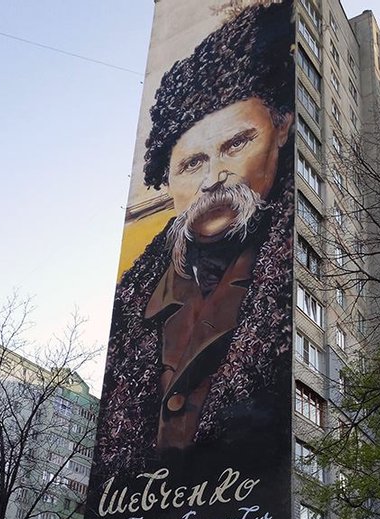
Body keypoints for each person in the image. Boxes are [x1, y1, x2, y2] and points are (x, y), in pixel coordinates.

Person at [97, 1, 294, 467]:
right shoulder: (134, 301)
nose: (213, 179)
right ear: (167, 181)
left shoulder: (293, 264)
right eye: (191, 164)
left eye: (236, 144)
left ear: (282, 129)